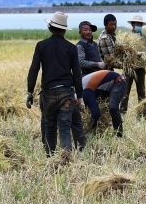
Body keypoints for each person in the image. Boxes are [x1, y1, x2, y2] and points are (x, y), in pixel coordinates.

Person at [26, 11, 87, 155]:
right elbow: (77, 74)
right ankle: (66, 157)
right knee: (64, 128)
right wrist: (80, 97)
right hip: (66, 93)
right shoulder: (71, 48)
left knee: (49, 126)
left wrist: (30, 92)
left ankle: (50, 157)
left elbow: (34, 70)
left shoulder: (41, 46)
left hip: (48, 94)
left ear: (50, 27)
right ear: (64, 30)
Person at [119, 14, 146, 112]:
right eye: (137, 23)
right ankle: (122, 112)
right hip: (128, 67)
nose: (139, 25)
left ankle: (142, 111)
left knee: (141, 91)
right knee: (125, 91)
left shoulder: (145, 38)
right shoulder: (127, 37)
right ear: (133, 24)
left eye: (140, 24)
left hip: (140, 68)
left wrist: (144, 53)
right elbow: (120, 50)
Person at [81, 70, 126, 136]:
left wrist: (89, 130)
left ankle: (119, 134)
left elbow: (96, 113)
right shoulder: (81, 88)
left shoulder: (85, 91)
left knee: (113, 107)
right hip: (105, 88)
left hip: (118, 82)